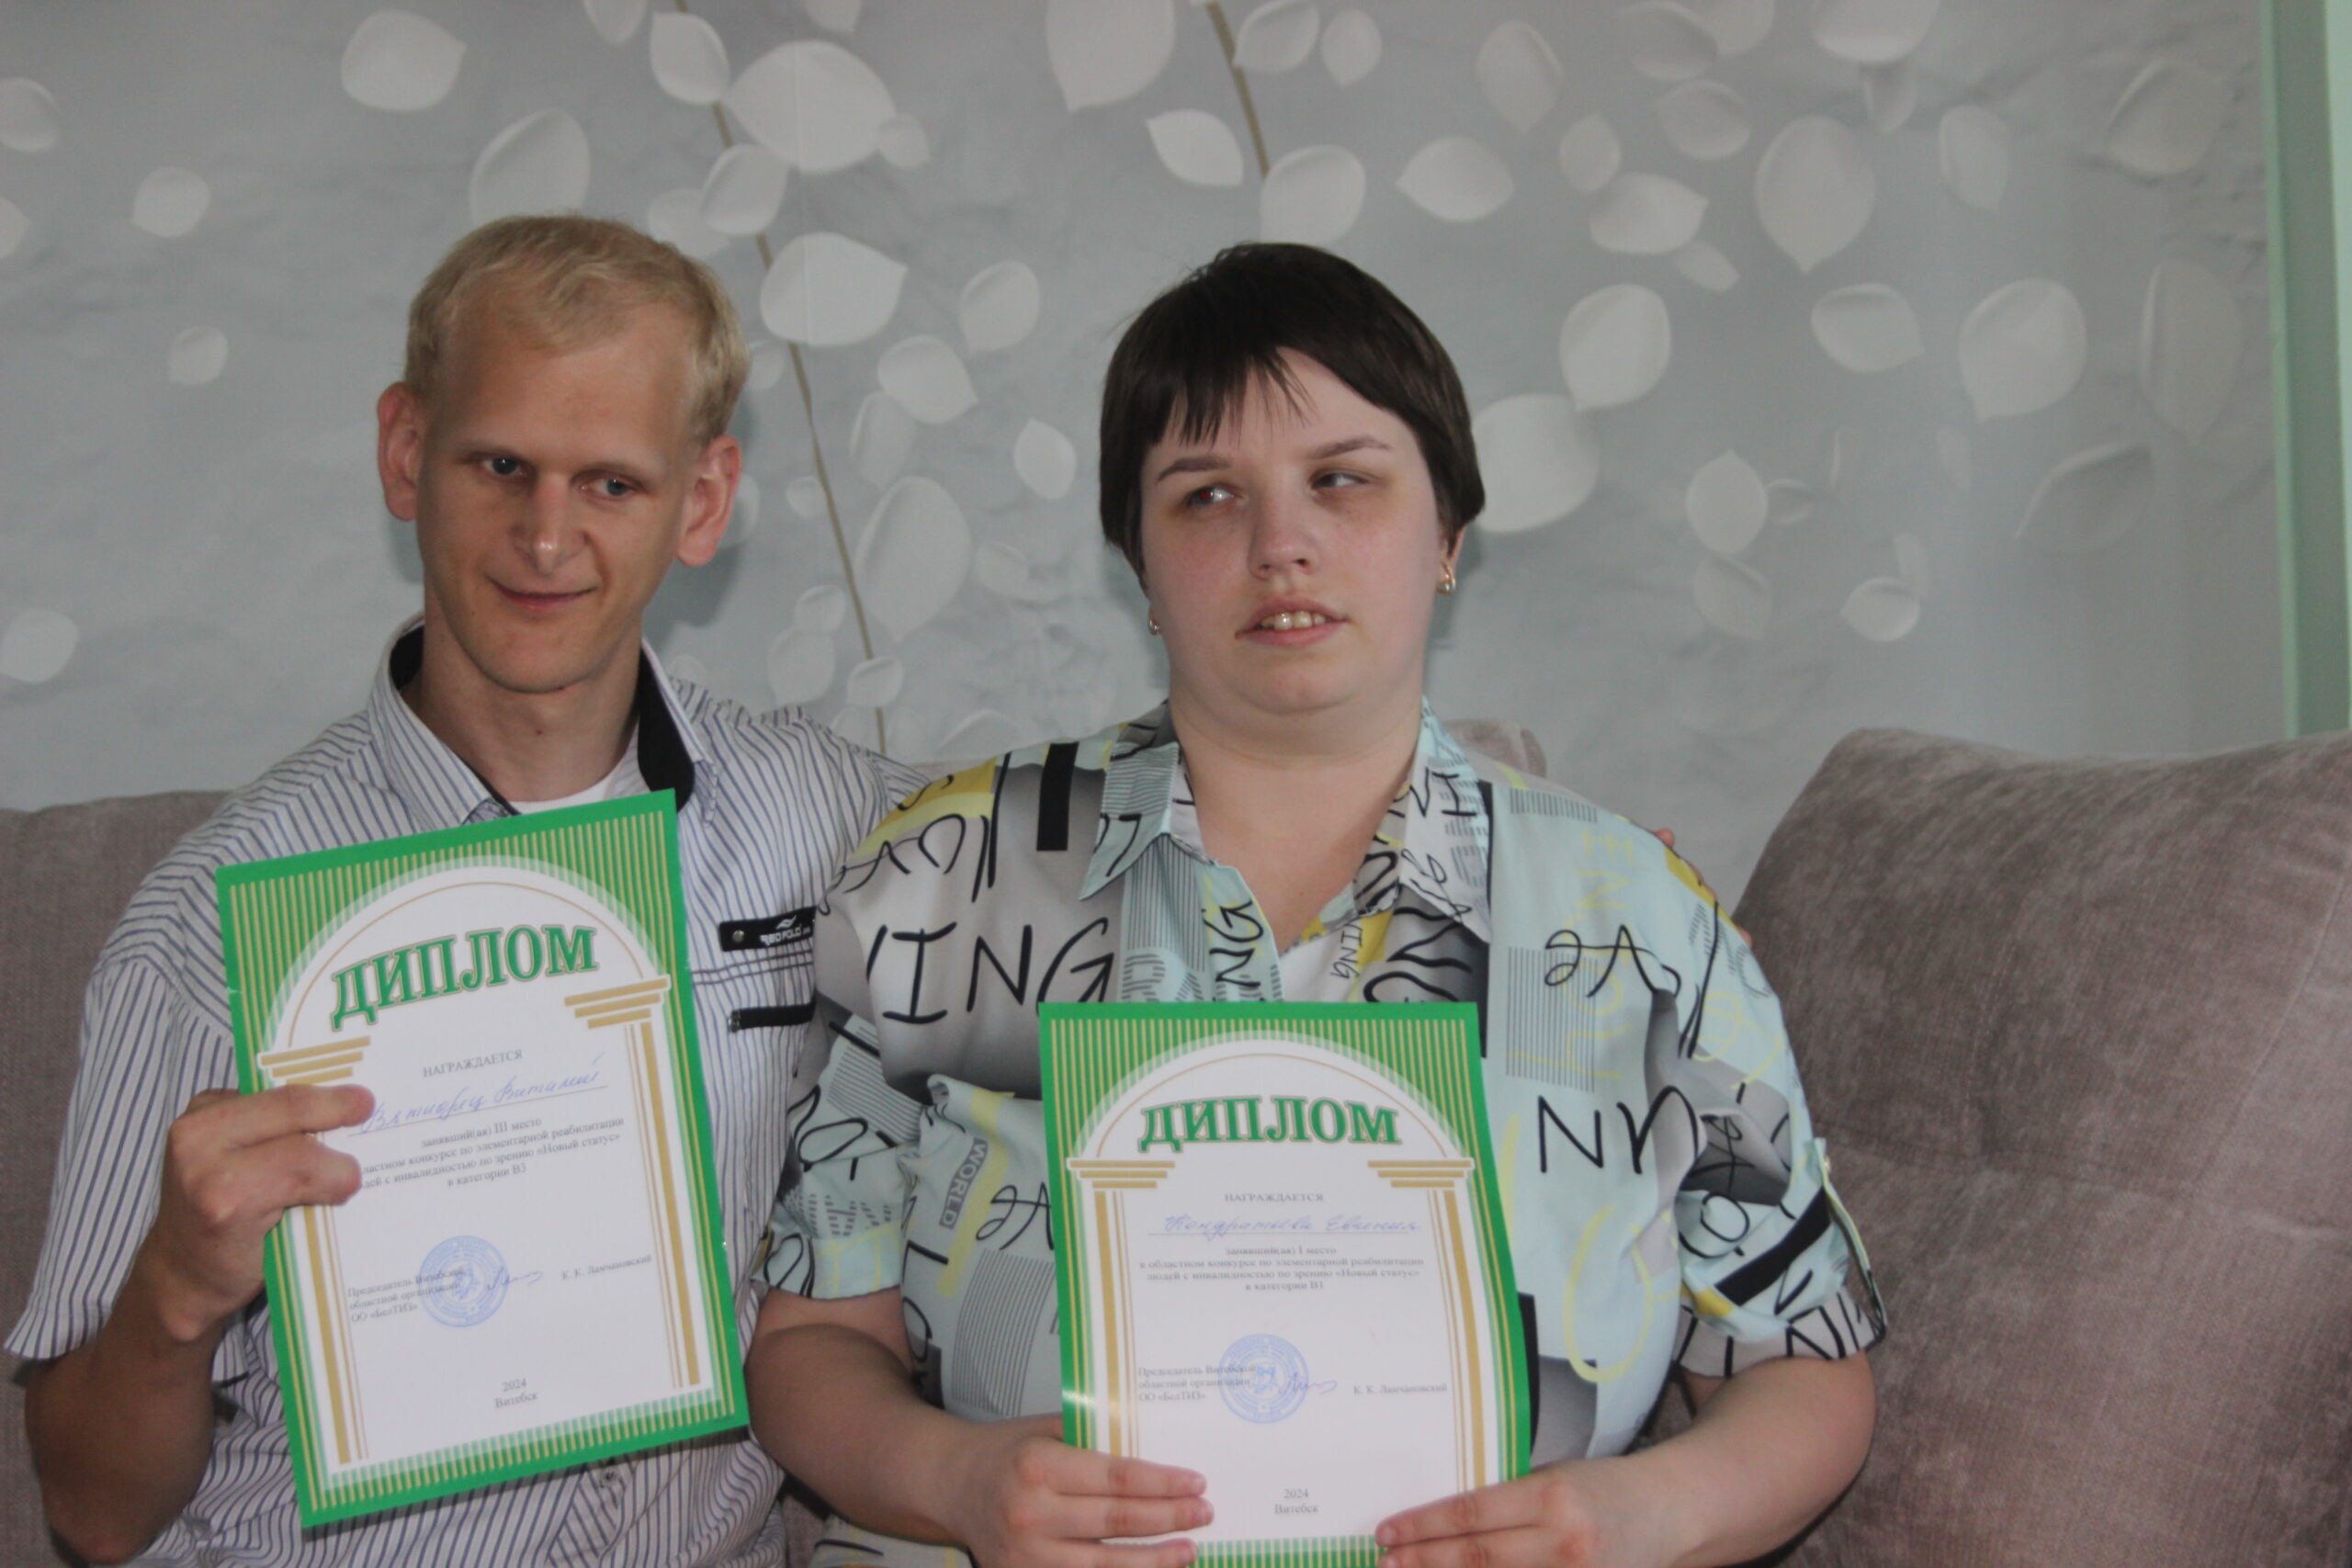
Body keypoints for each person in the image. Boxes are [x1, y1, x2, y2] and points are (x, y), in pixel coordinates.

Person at [744, 243, 1883, 1568]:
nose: (1279, 544)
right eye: (1207, 495)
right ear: (1136, 560)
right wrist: (955, 1482)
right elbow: (814, 1338)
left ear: (1447, 534)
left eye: (1343, 480)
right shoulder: (948, 877)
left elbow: (1805, 1364)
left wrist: (1641, 1517)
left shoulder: (1638, 920)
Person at [12, 215, 923, 1565]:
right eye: (501, 465)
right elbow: (90, 1515)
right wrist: (175, 1289)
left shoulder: (845, 827)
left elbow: (1122, 910)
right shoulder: (209, 921)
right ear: (404, 452)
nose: (547, 537)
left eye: (610, 483)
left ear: (702, 502)